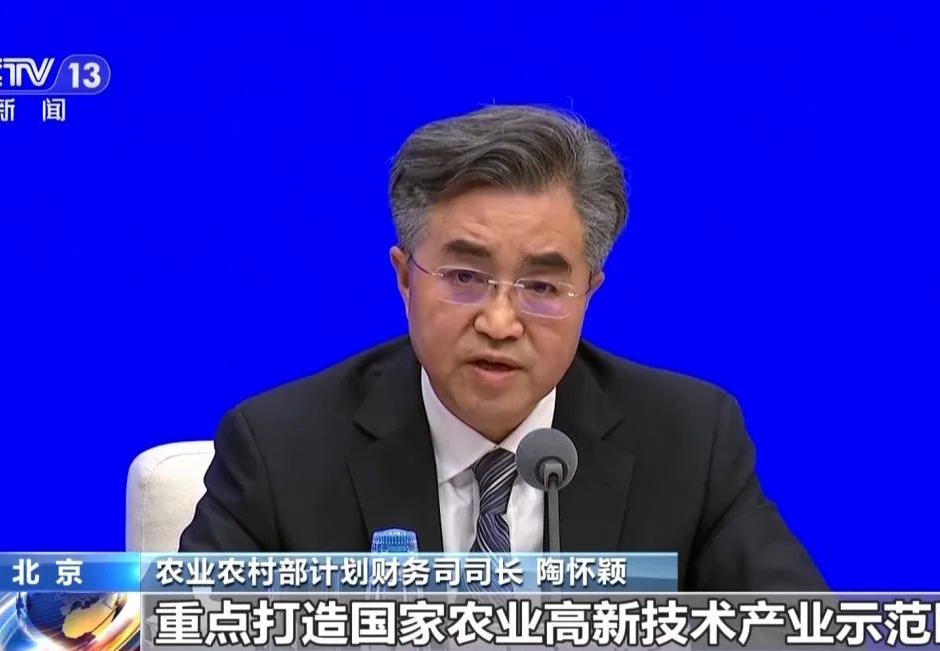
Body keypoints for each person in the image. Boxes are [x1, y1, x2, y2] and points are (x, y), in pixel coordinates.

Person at [179, 104, 827, 591]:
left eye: (542, 286)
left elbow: (798, 631)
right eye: (465, 276)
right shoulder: (281, 452)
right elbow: (177, 628)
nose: (499, 321)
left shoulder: (688, 441)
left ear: (589, 291)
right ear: (405, 278)